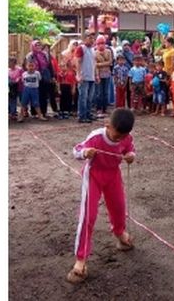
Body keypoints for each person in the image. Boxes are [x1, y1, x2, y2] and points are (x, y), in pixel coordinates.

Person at [67, 108, 137, 284]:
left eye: (123, 136)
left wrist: (130, 156)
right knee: (88, 216)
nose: (119, 139)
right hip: (93, 176)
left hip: (113, 175)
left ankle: (120, 234)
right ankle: (81, 259)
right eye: (116, 135)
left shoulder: (126, 137)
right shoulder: (96, 136)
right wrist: (84, 153)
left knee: (119, 207)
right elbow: (76, 150)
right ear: (107, 125)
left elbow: (130, 149)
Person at [24, 39, 58, 118]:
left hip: (45, 77)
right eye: (36, 45)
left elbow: (49, 66)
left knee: (44, 95)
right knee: (34, 95)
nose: (38, 46)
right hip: (34, 76)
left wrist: (52, 76)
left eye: (39, 45)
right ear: (33, 46)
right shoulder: (30, 55)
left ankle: (43, 112)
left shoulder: (45, 54)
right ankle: (34, 113)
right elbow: (26, 65)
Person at [74, 34, 99, 124]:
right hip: (83, 76)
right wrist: (78, 74)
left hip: (91, 76)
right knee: (83, 97)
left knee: (90, 97)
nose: (92, 40)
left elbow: (94, 63)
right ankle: (82, 115)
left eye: (93, 39)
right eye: (90, 38)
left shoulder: (93, 50)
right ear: (85, 39)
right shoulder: (81, 48)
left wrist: (96, 75)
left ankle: (88, 114)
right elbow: (78, 61)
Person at [94, 36, 113, 118]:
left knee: (106, 92)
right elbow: (95, 65)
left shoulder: (108, 51)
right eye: (99, 43)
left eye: (102, 43)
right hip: (99, 74)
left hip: (107, 74)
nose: (101, 45)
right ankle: (98, 108)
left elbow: (110, 62)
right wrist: (104, 63)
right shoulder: (95, 52)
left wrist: (100, 64)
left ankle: (105, 108)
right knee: (99, 93)